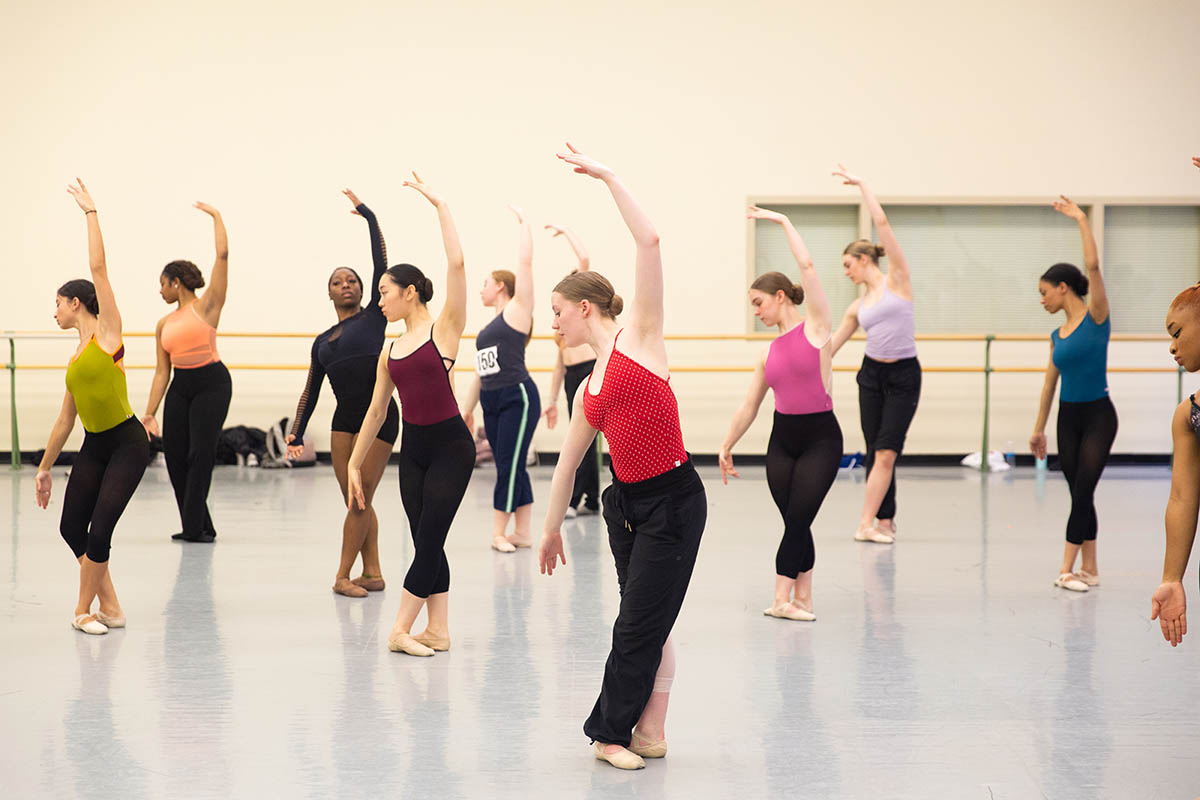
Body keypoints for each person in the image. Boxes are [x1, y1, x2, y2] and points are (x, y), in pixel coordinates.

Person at [538, 144, 706, 770]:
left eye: (556, 313)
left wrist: (608, 177)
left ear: (584, 309)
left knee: (636, 625)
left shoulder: (642, 337)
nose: (552, 323)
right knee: (648, 621)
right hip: (625, 505)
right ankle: (651, 732)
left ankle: (608, 733)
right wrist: (551, 528)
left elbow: (651, 243)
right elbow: (565, 462)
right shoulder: (589, 387)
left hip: (674, 499)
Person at [348, 172, 473, 657]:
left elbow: (457, 262)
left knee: (427, 540)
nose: (379, 300)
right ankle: (437, 629)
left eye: (384, 291)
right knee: (428, 540)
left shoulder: (445, 331)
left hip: (450, 449)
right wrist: (357, 463)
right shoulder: (391, 350)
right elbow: (377, 412)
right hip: (414, 452)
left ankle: (399, 629)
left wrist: (439, 204)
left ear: (411, 293)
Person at [36, 179, 149, 634]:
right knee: (70, 527)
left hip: (127, 443)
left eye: (58, 304)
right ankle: (113, 607)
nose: (55, 312)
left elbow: (99, 268)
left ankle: (83, 611)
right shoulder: (76, 358)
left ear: (76, 302)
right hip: (95, 444)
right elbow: (67, 419)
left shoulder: (107, 334)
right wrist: (43, 468)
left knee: (100, 529)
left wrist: (90, 213)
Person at [718, 206, 841, 622]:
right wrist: (726, 444)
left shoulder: (817, 328)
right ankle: (804, 597)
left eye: (758, 303)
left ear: (780, 296)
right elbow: (749, 405)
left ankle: (781, 599)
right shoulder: (766, 353)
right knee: (795, 519)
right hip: (782, 440)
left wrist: (783, 222)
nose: (756, 311)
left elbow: (806, 265)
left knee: (798, 517)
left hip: (821, 438)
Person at [286, 189, 399, 597]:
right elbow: (310, 390)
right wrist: (296, 433)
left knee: (359, 499)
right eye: (338, 282)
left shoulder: (374, 316)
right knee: (358, 501)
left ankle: (341, 577)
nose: (347, 284)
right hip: (342, 424)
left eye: (352, 280)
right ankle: (373, 571)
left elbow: (381, 262)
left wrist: (368, 215)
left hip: (380, 417)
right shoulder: (321, 341)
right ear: (329, 293)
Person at [1029, 196, 1115, 593]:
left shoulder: (1096, 316)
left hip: (1098, 416)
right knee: (1080, 490)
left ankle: (1066, 568)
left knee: (1082, 490)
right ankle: (1091, 569)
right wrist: (1038, 429)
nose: (1042, 299)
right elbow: (1049, 384)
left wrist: (1081, 218)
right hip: (1068, 418)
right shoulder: (1056, 336)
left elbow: (1094, 266)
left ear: (1064, 288)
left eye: (1045, 292)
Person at [830, 164, 919, 545]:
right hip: (871, 376)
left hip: (903, 375)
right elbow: (829, 347)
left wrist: (864, 186)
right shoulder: (858, 306)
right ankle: (886, 519)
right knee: (876, 450)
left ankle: (866, 522)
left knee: (887, 450)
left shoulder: (897, 281)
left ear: (865, 260)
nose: (846, 272)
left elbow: (882, 224)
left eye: (848, 265)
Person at [141, 202, 231, 543]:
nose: (160, 290)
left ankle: (194, 529)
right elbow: (162, 372)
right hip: (181, 386)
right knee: (176, 456)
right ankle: (200, 524)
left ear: (176, 283)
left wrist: (217, 218)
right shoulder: (163, 323)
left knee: (199, 453)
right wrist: (149, 413)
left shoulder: (206, 306)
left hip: (212, 382)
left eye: (162, 284)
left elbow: (222, 257)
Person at [458, 207, 541, 552]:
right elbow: (481, 370)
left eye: (486, 283)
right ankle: (521, 532)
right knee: (513, 462)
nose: (482, 289)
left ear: (502, 287)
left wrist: (524, 225)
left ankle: (498, 532)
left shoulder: (517, 311)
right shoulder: (488, 327)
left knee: (506, 464)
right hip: (492, 399)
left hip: (517, 398)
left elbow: (525, 265)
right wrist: (467, 409)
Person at [1152, 281, 1200, 646]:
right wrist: (1172, 578)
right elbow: (1183, 497)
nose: (1172, 346)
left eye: (1177, 333)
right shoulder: (1188, 416)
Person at [542, 223, 600, 518]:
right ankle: (590, 500)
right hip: (571, 376)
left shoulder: (579, 304)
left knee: (584, 443)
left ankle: (579, 499)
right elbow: (559, 362)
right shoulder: (562, 316)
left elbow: (585, 258)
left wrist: (567, 231)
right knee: (582, 441)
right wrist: (551, 401)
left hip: (589, 369)